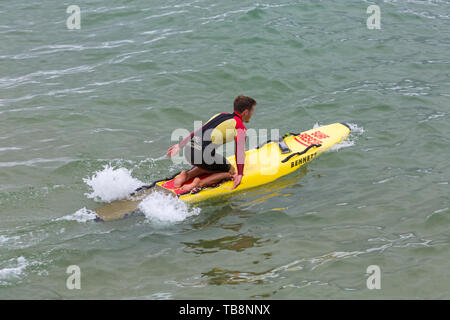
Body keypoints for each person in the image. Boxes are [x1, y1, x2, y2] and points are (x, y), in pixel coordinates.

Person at [166, 95, 256, 192]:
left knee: (210, 163)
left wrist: (180, 145)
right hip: (202, 155)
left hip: (188, 150)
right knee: (230, 171)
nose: (252, 113)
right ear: (246, 112)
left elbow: (199, 130)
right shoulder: (240, 127)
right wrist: (240, 174)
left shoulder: (220, 115)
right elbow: (239, 153)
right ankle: (198, 184)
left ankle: (186, 175)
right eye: (252, 111)